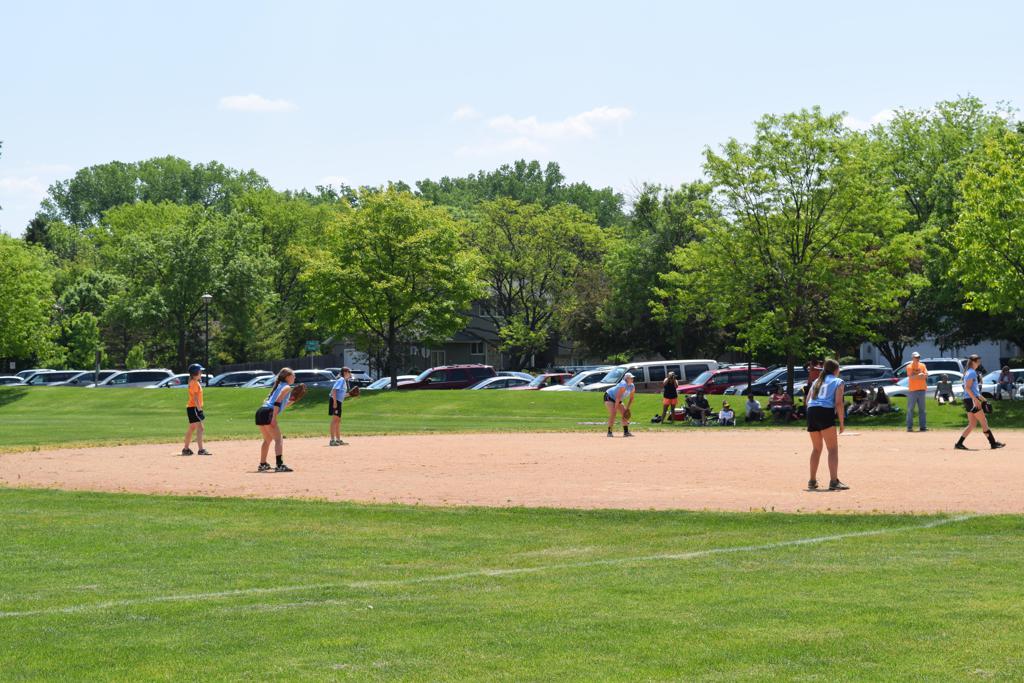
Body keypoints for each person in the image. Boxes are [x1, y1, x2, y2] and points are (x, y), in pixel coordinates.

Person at [805, 358, 848, 491]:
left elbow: (807, 401)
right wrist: (841, 423)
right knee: (833, 449)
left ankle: (812, 481)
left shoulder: (816, 381)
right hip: (825, 412)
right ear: (836, 370)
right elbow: (839, 403)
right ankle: (834, 481)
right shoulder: (838, 381)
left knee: (816, 449)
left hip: (812, 412)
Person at [956, 354, 1005, 451]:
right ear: (973, 362)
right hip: (971, 400)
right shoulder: (972, 372)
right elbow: (967, 388)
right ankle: (993, 443)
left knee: (972, 424)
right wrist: (975, 400)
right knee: (984, 421)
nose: (979, 363)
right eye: (978, 361)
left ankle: (959, 443)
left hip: (968, 399)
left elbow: (975, 391)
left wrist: (984, 400)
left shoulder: (969, 372)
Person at [255, 367, 298, 472]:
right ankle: (279, 465)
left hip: (261, 411)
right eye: (293, 375)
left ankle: (263, 464)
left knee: (267, 439)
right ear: (288, 377)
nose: (295, 377)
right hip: (269, 412)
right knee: (278, 439)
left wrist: (293, 400)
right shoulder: (286, 387)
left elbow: (281, 404)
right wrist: (274, 418)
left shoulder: (279, 385)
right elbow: (277, 402)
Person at [182, 363, 211, 456]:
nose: (201, 373)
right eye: (200, 371)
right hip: (194, 408)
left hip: (191, 408)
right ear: (195, 373)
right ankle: (201, 450)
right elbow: (195, 397)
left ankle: (186, 449)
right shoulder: (194, 383)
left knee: (192, 428)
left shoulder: (193, 382)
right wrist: (199, 409)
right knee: (200, 428)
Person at [605, 372, 636, 437]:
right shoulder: (623, 384)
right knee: (613, 413)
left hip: (617, 399)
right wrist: (615, 408)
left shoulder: (632, 386)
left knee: (625, 414)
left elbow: (631, 398)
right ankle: (609, 432)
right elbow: (618, 397)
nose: (632, 379)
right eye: (631, 378)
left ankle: (626, 432)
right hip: (609, 396)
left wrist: (627, 408)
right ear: (626, 379)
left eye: (632, 378)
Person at [329, 367, 353, 446]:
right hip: (335, 401)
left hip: (338, 401)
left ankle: (338, 440)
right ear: (345, 372)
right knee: (334, 420)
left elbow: (341, 395)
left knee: (338, 421)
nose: (350, 373)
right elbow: (334, 390)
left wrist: (350, 394)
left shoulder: (344, 381)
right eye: (349, 372)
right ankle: (332, 440)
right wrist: (335, 402)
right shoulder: (341, 380)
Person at [905, 352, 928, 432]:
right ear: (912, 358)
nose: (917, 358)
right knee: (910, 409)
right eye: (916, 357)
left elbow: (926, 375)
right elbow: (911, 377)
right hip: (913, 390)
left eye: (918, 357)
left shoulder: (923, 365)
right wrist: (920, 375)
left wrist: (918, 376)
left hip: (922, 389)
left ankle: (923, 427)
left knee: (922, 410)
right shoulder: (909, 366)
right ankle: (909, 427)